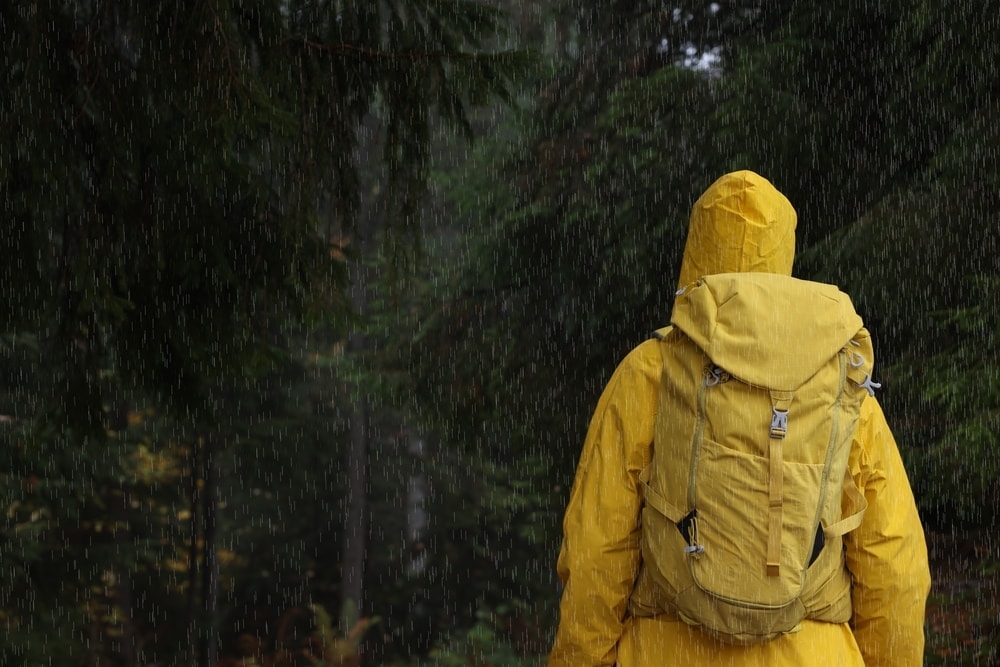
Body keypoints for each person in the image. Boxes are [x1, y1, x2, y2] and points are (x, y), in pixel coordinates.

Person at [547, 170, 931, 667]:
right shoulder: (839, 384)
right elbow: (894, 562)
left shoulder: (651, 370)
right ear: (784, 260)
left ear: (696, 254)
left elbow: (597, 551)